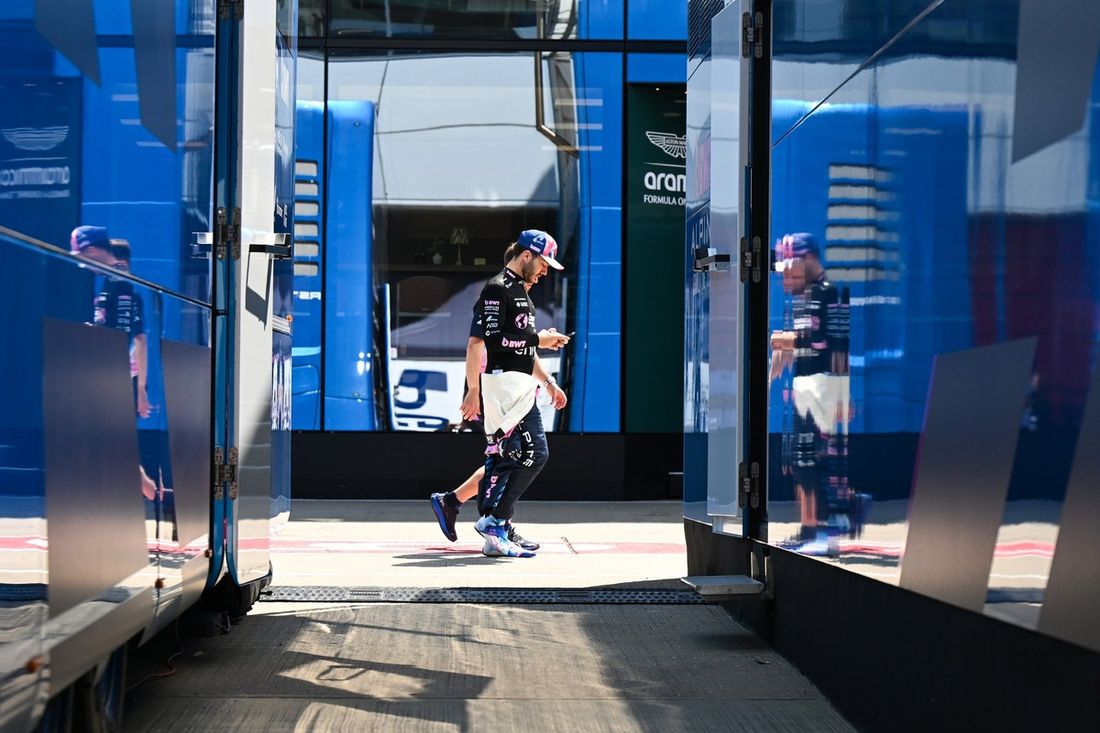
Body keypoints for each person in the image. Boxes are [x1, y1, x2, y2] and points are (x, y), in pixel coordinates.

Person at [449, 230, 569, 558]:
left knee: (516, 457)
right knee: (520, 456)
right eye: (544, 263)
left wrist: (548, 380)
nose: (546, 271)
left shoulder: (520, 291)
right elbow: (491, 341)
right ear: (527, 255)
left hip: (517, 385)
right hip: (502, 387)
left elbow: (521, 348)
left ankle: (497, 526)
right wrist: (537, 340)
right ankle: (494, 523)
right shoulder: (497, 288)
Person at [770, 233, 863, 556]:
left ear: (809, 258)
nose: (788, 273)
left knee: (813, 460)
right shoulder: (804, 295)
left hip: (822, 386)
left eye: (793, 264)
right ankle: (812, 527)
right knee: (800, 461)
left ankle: (823, 530)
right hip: (805, 385)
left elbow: (830, 344)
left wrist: (782, 342)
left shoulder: (828, 293)